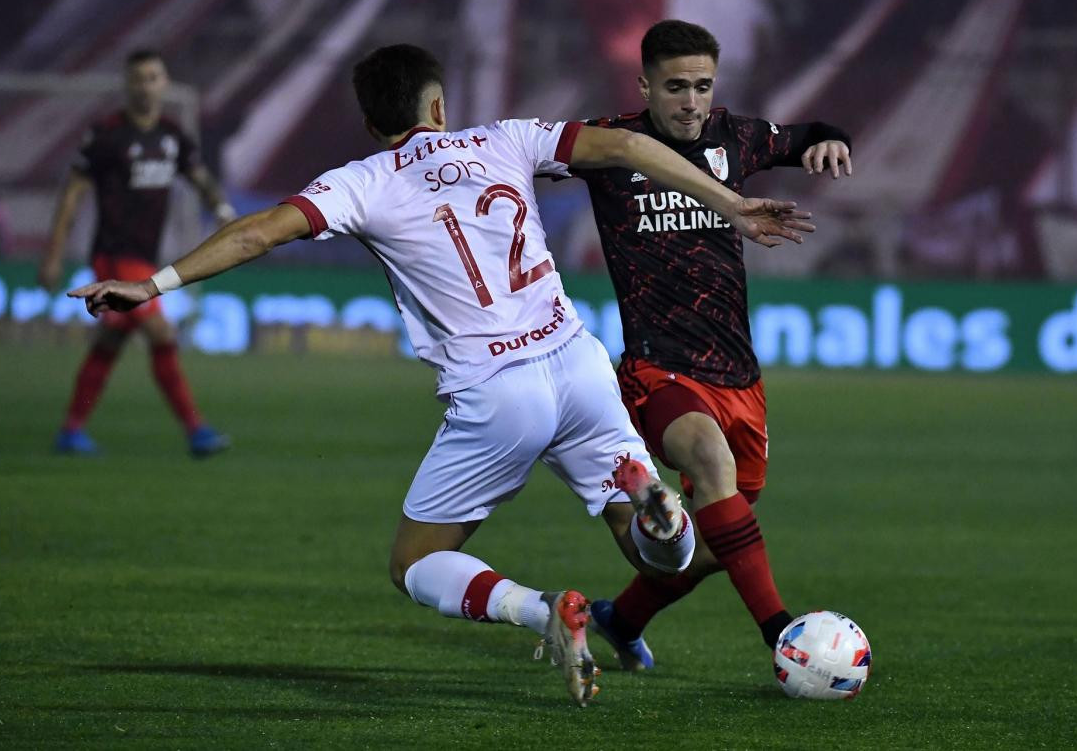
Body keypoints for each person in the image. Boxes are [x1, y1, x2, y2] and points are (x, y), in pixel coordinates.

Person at [69, 44, 814, 706]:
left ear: (371, 125)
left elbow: (259, 231)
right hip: (579, 363)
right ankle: (650, 495)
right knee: (658, 551)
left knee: (416, 562)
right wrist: (731, 203)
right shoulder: (505, 140)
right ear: (439, 105)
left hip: (498, 393)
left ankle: (541, 609)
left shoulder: (360, 181)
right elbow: (623, 144)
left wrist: (155, 283)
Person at [564, 20, 853, 670]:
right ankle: (784, 639)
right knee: (708, 462)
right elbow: (525, 153)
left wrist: (830, 141)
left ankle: (621, 617)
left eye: (701, 86)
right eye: (675, 88)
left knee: (719, 543)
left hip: (740, 380)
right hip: (659, 369)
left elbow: (809, 135)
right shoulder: (613, 146)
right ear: (645, 86)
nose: (690, 101)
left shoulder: (735, 137)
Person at [39, 49, 235, 457]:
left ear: (163, 83)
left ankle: (71, 429)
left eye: (152, 77)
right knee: (162, 333)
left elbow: (199, 178)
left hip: (145, 258)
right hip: (113, 259)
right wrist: (54, 253)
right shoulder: (107, 135)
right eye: (138, 78)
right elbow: (73, 193)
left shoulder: (171, 136)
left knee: (110, 341)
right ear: (127, 85)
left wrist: (221, 210)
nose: (145, 85)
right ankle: (196, 430)